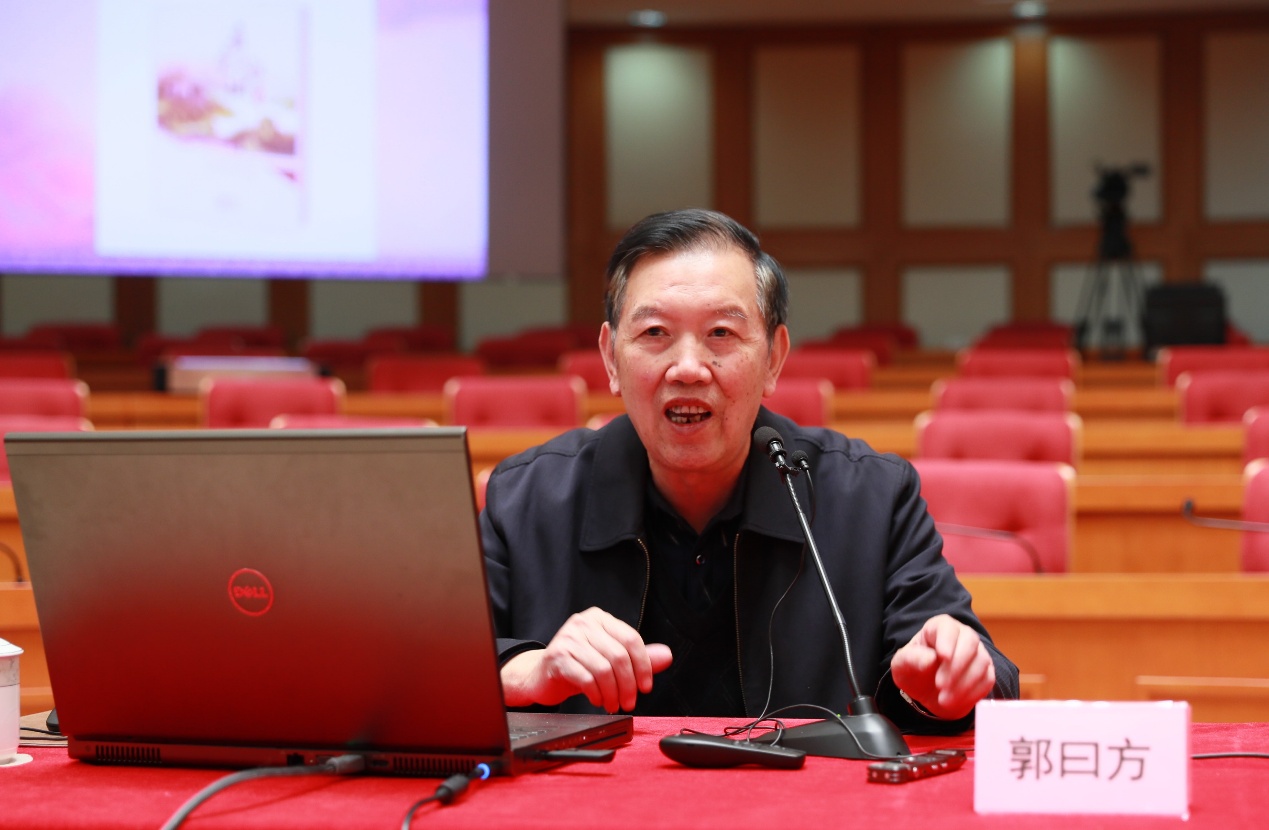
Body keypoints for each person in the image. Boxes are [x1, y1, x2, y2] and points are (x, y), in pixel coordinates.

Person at [481, 208, 1018, 733]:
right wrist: (528, 672)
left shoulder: (871, 496)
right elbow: (439, 667)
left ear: (773, 359)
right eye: (655, 332)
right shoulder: (526, 498)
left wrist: (944, 684)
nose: (688, 368)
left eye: (720, 333)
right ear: (610, 358)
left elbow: (981, 674)